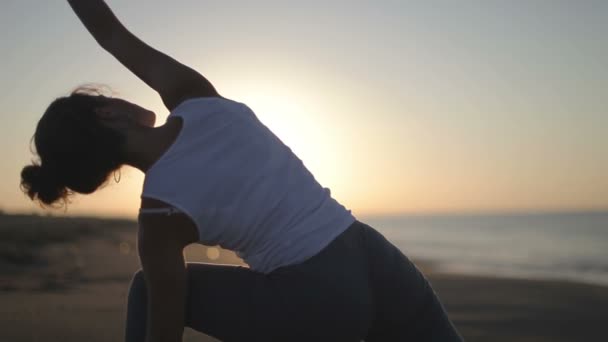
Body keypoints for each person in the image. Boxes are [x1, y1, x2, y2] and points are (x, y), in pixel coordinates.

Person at [20, 1, 463, 341]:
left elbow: (165, 327)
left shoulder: (157, 219)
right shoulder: (195, 99)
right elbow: (110, 33)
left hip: (317, 302)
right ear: (109, 112)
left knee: (145, 290)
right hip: (367, 253)